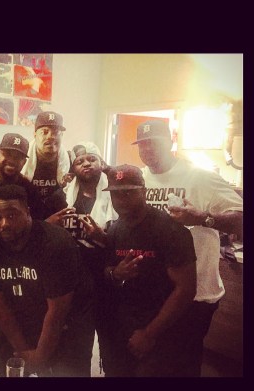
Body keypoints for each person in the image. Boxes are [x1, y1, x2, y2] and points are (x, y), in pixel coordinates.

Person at [133, 119, 243, 376]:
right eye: (142, 144)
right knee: (150, 364)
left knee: (182, 367)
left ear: (171, 141)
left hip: (195, 296)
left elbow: (241, 219)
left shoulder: (200, 177)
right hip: (152, 293)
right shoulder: (139, 179)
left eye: (154, 143)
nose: (148, 149)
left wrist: (203, 218)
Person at [0, 184, 93, 377]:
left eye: (11, 215)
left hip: (68, 326)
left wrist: (39, 357)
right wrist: (23, 351)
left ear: (28, 212)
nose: (3, 224)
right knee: (11, 368)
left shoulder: (55, 244)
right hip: (21, 321)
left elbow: (57, 312)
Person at [100, 164, 197, 377]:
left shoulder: (171, 230)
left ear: (143, 191)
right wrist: (116, 274)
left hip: (161, 329)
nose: (121, 200)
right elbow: (107, 270)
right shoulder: (116, 229)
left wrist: (149, 333)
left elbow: (186, 289)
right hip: (123, 326)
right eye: (116, 194)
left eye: (128, 192)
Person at [45, 141, 118, 374]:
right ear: (73, 168)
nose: (86, 164)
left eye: (91, 159)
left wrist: (101, 237)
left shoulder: (116, 196)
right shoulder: (61, 196)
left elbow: (126, 241)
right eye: (80, 161)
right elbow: (43, 232)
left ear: (101, 163)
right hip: (73, 282)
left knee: (110, 342)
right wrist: (49, 225)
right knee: (77, 345)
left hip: (106, 280)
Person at [0, 132, 48, 220]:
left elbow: (37, 221)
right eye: (7, 154)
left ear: (24, 162)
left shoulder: (30, 191)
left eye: (18, 157)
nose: (11, 160)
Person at [21, 111, 70, 205]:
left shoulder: (71, 163)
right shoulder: (20, 161)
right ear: (35, 135)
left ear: (62, 136)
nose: (50, 137)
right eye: (45, 132)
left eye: (56, 132)